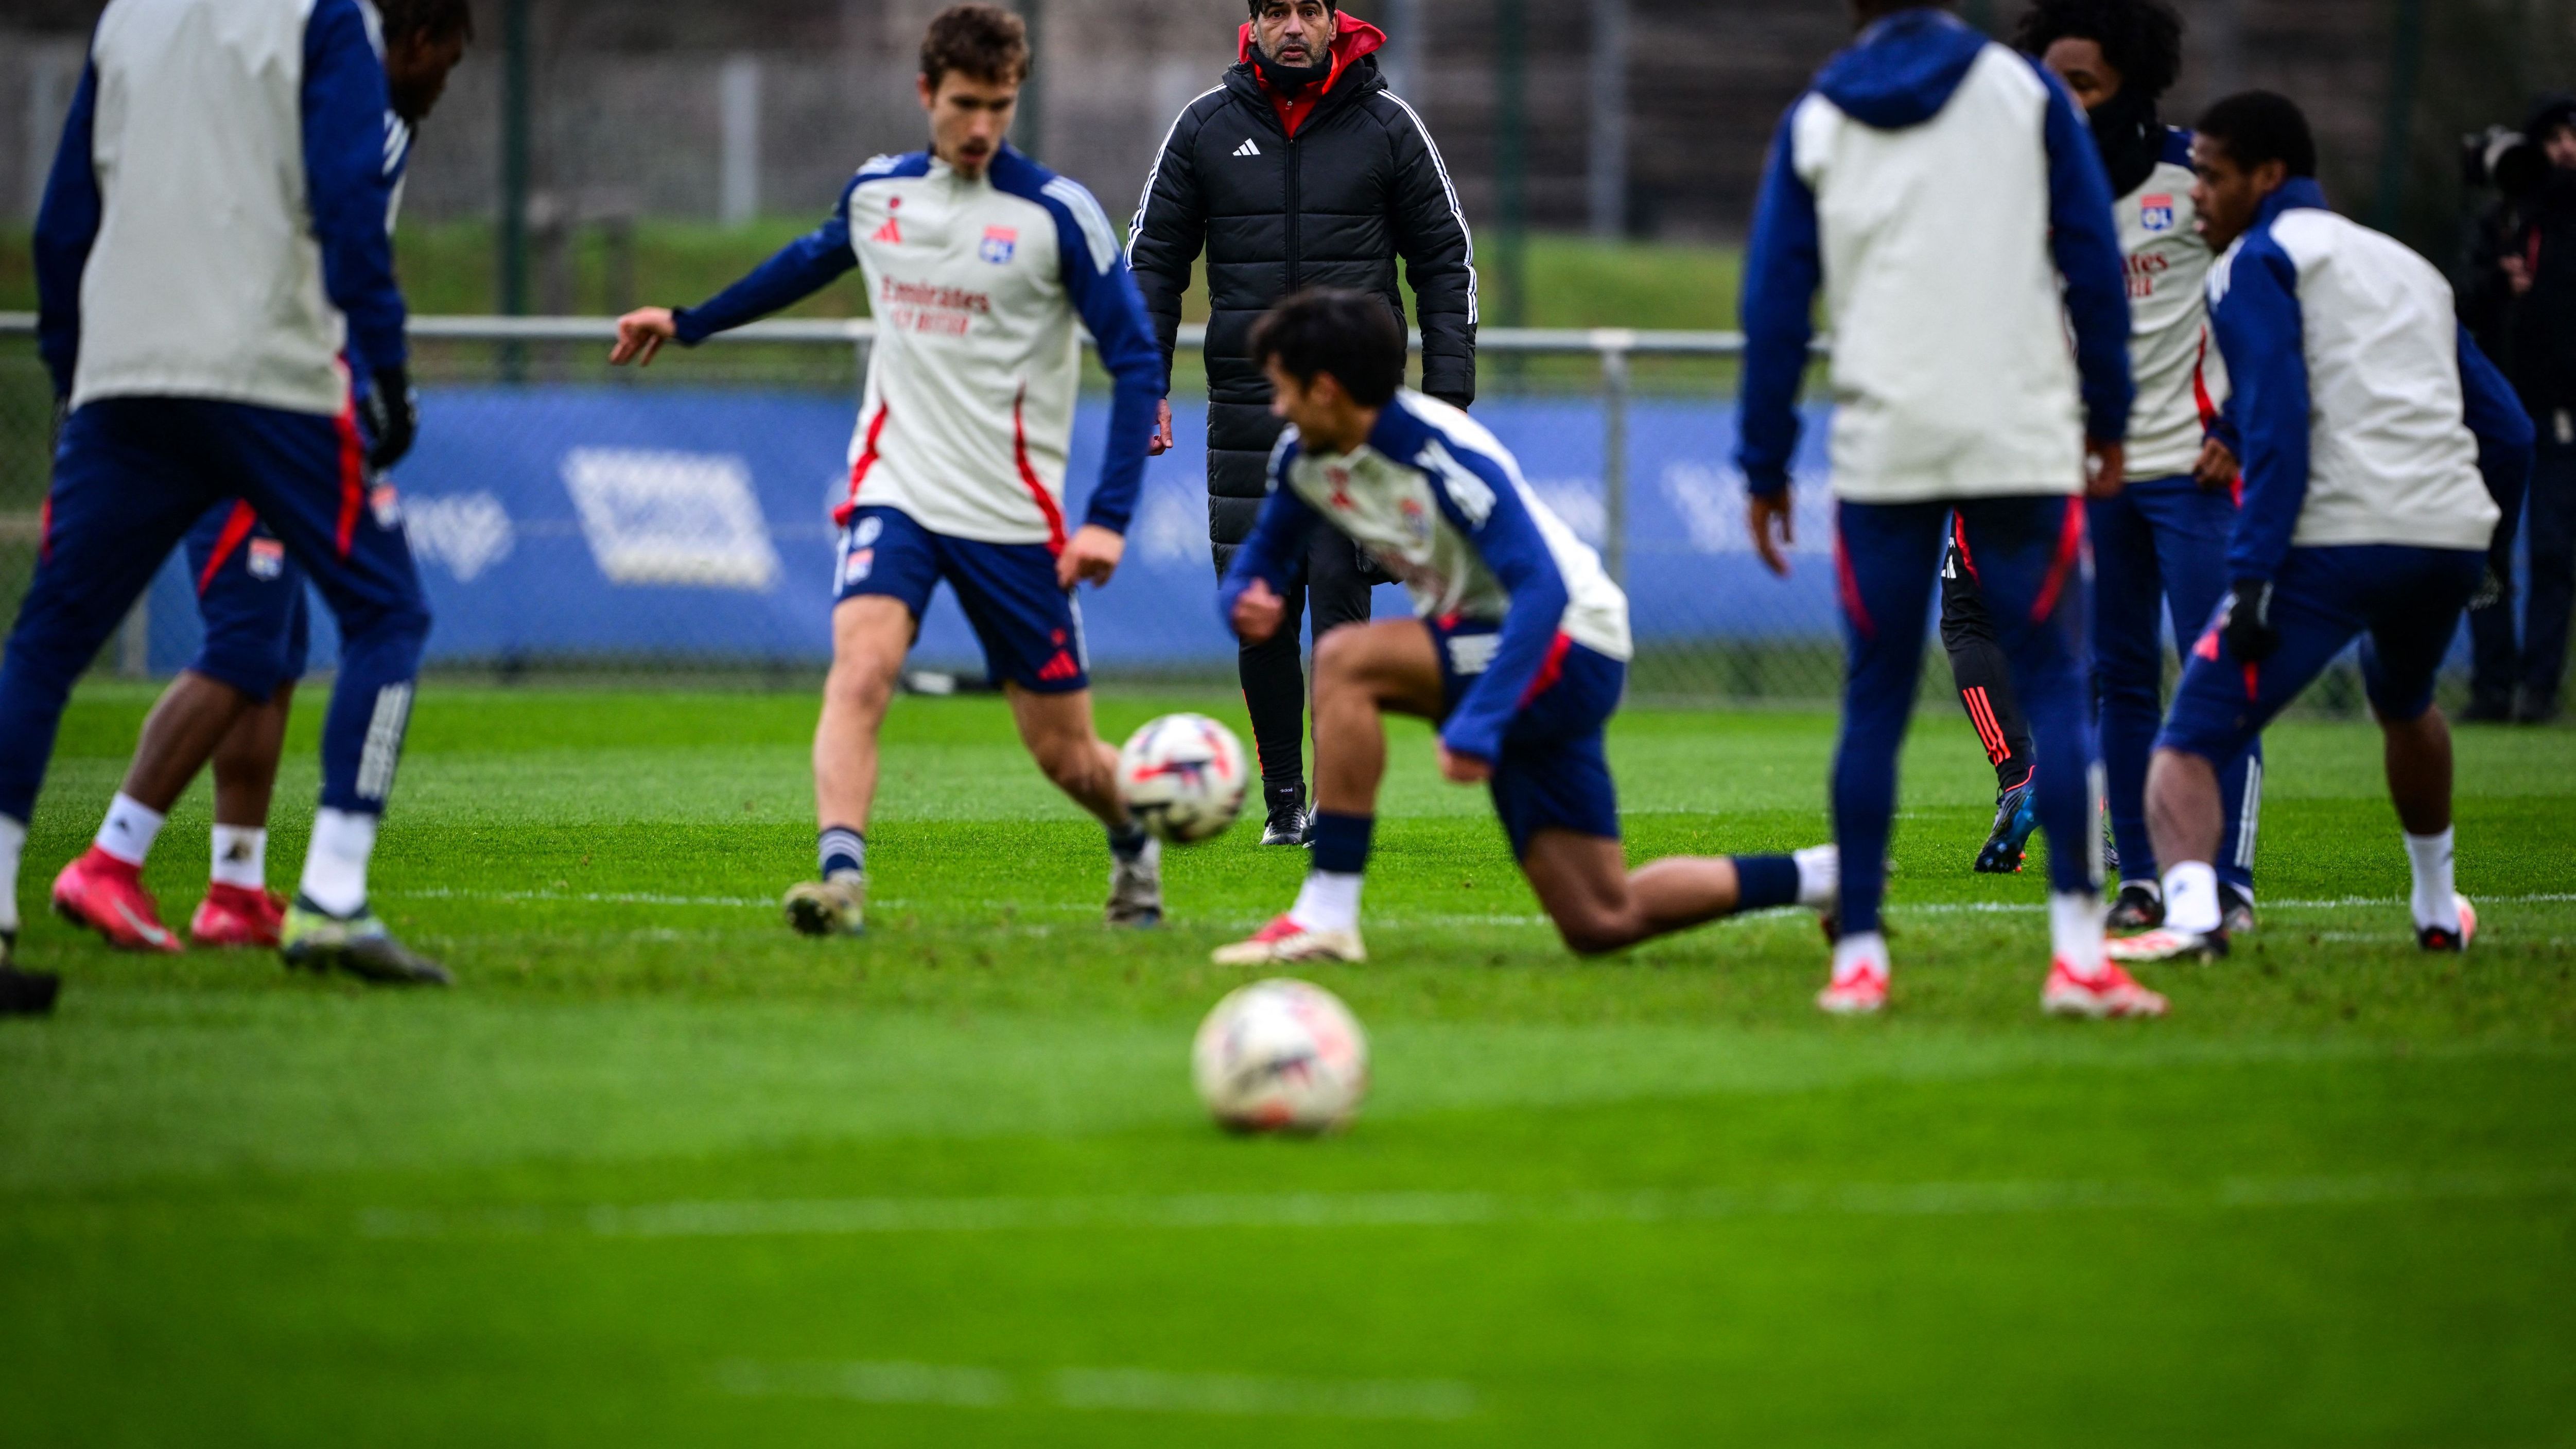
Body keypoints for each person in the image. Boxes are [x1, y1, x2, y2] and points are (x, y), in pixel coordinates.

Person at [609, 5, 1164, 937]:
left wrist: (1107, 516)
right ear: (924, 95)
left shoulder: (1055, 215)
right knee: (860, 671)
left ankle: (1133, 838)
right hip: (894, 489)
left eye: (998, 105)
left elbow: (1137, 359)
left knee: (1065, 757)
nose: (981, 127)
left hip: (1010, 516)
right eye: (962, 105)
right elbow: (803, 264)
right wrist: (691, 318)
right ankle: (842, 881)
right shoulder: (879, 194)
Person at [3, 0, 452, 1006]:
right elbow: (342, 205)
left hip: (127, 373)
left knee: (60, 638)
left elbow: (63, 216)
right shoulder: (329, 21)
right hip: (263, 380)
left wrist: (78, 371)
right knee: (368, 616)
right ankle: (291, 889)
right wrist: (383, 369)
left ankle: (219, 887)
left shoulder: (132, 17)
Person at [1738, 0, 2158, 1017]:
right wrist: (2109, 413)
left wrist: (1763, 460)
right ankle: (2077, 955)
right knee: (2060, 682)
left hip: (1889, 439)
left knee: (1874, 699)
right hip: (2018, 431)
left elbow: (1776, 298)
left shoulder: (1820, 114)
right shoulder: (2026, 94)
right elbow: (2091, 264)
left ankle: (1861, 962)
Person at [1210, 289, 1837, 965]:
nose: (1277, 407)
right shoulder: (1303, 457)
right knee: (1601, 917)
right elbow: (1263, 557)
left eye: (1283, 390)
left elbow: (1543, 586)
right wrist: (1245, 596)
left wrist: (1481, 721)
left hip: (1571, 642)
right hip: (1506, 650)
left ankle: (1327, 916)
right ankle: (1828, 875)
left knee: (1344, 659)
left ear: (1327, 390)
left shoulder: (1437, 454)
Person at [2140, 92, 2531, 959]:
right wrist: (2486, 551)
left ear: (2264, 177)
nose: (2194, 193)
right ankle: (2436, 909)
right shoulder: (2407, 268)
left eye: (2209, 175)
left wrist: (2249, 580)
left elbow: (2273, 422)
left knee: (2186, 740)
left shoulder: (2251, 264)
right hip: (2445, 540)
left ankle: (2192, 917)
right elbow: (2508, 432)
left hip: (2340, 542)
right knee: (2403, 701)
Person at [1127, 0, 1477, 846]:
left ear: (1332, 20)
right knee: (1261, 610)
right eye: (1274, 11)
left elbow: (1444, 258)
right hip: (1250, 410)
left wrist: (1446, 396)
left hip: (1357, 421)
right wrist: (1145, 381)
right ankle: (1283, 804)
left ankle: (1333, 803)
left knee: (1343, 607)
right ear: (1251, 23)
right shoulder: (1204, 127)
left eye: (1306, 11)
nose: (1291, 26)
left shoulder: (1388, 126)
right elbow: (1152, 258)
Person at [2464, 95, 2576, 725]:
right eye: (2552, 138)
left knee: (2555, 551)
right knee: (2485, 549)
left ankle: (2539, 690)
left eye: (2573, 137)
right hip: (2500, 408)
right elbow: (2461, 302)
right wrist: (2500, 285)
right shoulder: (2500, 221)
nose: (2564, 150)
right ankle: (2490, 686)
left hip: (2562, 409)